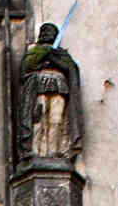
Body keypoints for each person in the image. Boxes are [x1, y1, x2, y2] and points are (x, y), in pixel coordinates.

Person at [18, 22, 83, 162]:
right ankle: (36, 150)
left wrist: (54, 59)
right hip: (39, 86)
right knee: (39, 118)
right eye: (45, 31)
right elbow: (27, 67)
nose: (48, 34)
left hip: (60, 86)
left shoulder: (61, 53)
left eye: (51, 31)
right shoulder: (34, 51)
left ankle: (54, 150)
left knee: (56, 119)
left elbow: (71, 69)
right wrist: (44, 55)